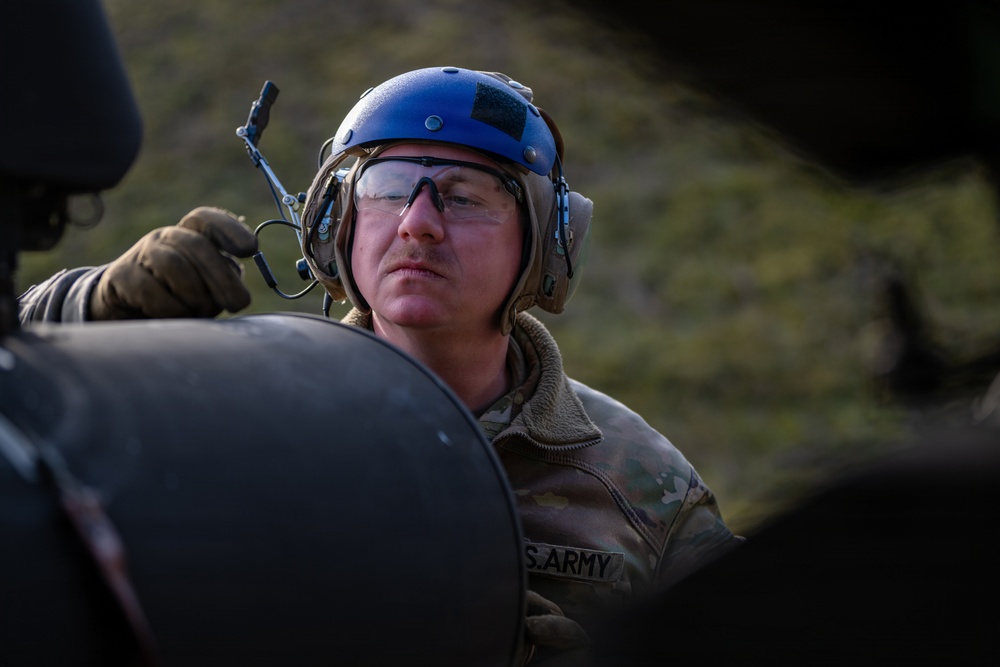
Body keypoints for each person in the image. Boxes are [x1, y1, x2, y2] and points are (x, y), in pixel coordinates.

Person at [19, 66, 742, 663]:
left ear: (548, 246)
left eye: (465, 196)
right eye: (387, 189)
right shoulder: (245, 404)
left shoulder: (644, 489)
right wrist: (92, 311)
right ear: (335, 224)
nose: (417, 223)